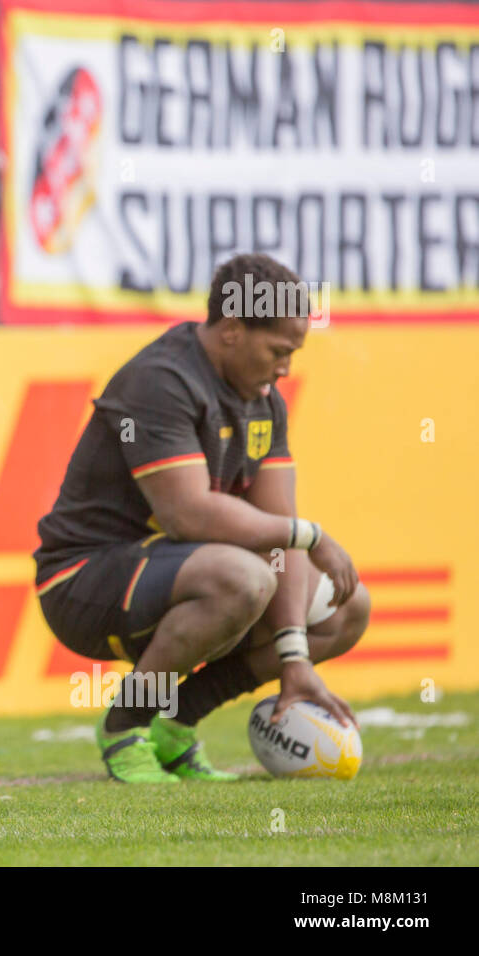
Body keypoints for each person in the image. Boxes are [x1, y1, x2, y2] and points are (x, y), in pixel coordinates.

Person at [33, 253, 368, 784]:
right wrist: (311, 535)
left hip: (183, 576)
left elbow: (280, 532)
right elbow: (187, 514)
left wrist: (294, 656)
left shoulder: (265, 400)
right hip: (81, 580)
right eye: (280, 351)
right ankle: (125, 727)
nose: (285, 368)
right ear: (233, 330)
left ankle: (177, 725)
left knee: (346, 608)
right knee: (242, 577)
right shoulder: (161, 379)